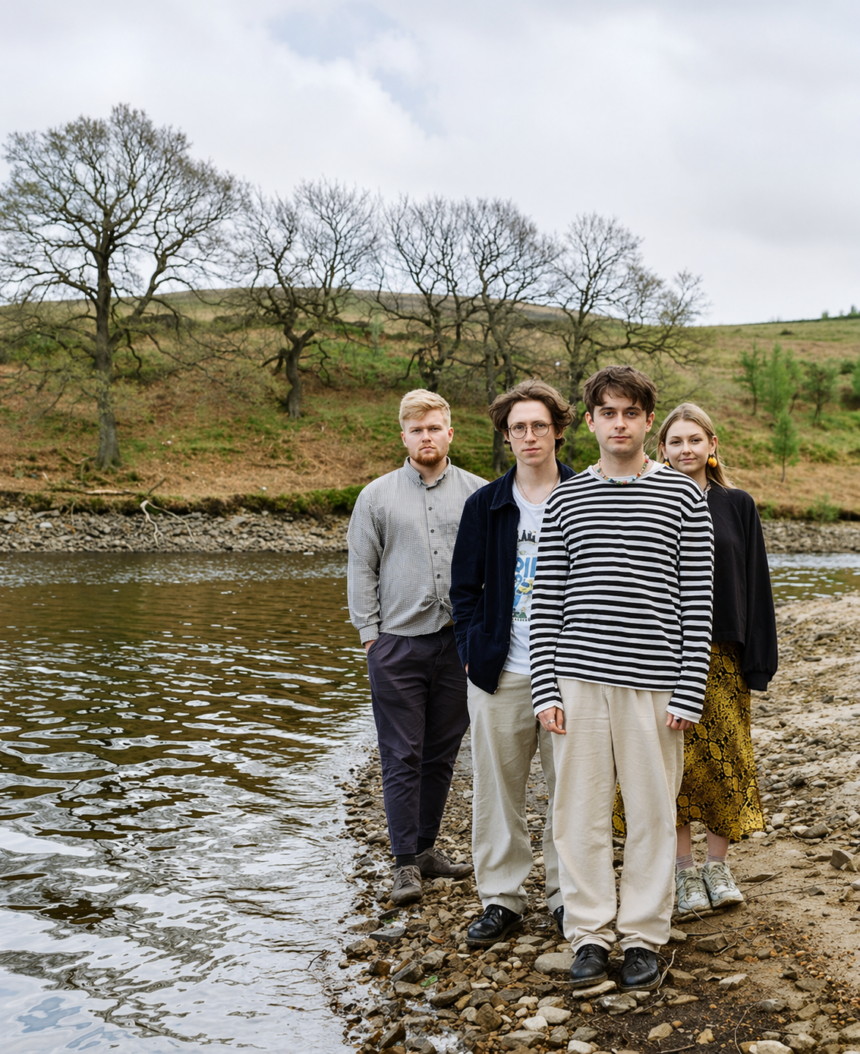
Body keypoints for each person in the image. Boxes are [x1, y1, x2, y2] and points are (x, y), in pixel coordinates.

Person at [530, 365, 714, 993]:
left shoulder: (685, 497)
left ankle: (641, 934)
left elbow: (697, 600)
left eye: (630, 413)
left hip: (656, 685)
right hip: (579, 680)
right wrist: (545, 688)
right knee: (577, 813)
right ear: (589, 422)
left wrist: (691, 688)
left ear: (645, 423)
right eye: (607, 412)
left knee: (652, 813)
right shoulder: (566, 498)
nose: (619, 423)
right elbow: (546, 599)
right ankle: (587, 932)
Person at [347, 389, 486, 907]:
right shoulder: (376, 496)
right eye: (416, 430)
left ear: (450, 432)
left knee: (442, 754)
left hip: (459, 646)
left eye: (434, 428)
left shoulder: (479, 492)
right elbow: (362, 567)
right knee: (400, 754)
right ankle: (404, 863)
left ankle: (428, 850)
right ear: (403, 436)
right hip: (397, 645)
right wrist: (370, 636)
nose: (426, 437)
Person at [450, 380, 575, 946]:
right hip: (501, 673)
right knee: (498, 791)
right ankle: (502, 899)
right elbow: (464, 592)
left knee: (572, 791)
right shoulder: (485, 505)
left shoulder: (586, 495)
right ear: (506, 435)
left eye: (539, 426)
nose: (529, 436)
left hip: (574, 674)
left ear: (558, 431)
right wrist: (475, 656)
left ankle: (569, 898)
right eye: (518, 427)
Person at [657, 403, 777, 914]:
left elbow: (756, 582)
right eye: (676, 441)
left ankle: (717, 866)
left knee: (726, 759)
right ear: (661, 450)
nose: (686, 449)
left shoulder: (737, 504)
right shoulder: (650, 501)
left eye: (694, 440)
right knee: (674, 762)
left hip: (722, 653)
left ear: (712, 445)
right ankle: (683, 872)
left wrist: (759, 657)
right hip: (661, 652)